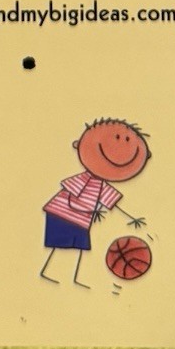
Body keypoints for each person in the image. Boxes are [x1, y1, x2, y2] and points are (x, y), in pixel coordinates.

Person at [40, 118, 152, 288]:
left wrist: (131, 218)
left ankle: (73, 277)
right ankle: (48, 271)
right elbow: (71, 195)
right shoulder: (83, 179)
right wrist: (87, 210)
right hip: (61, 213)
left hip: (82, 220)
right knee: (57, 244)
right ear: (78, 145)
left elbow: (113, 203)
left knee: (79, 247)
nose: (121, 141)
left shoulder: (101, 187)